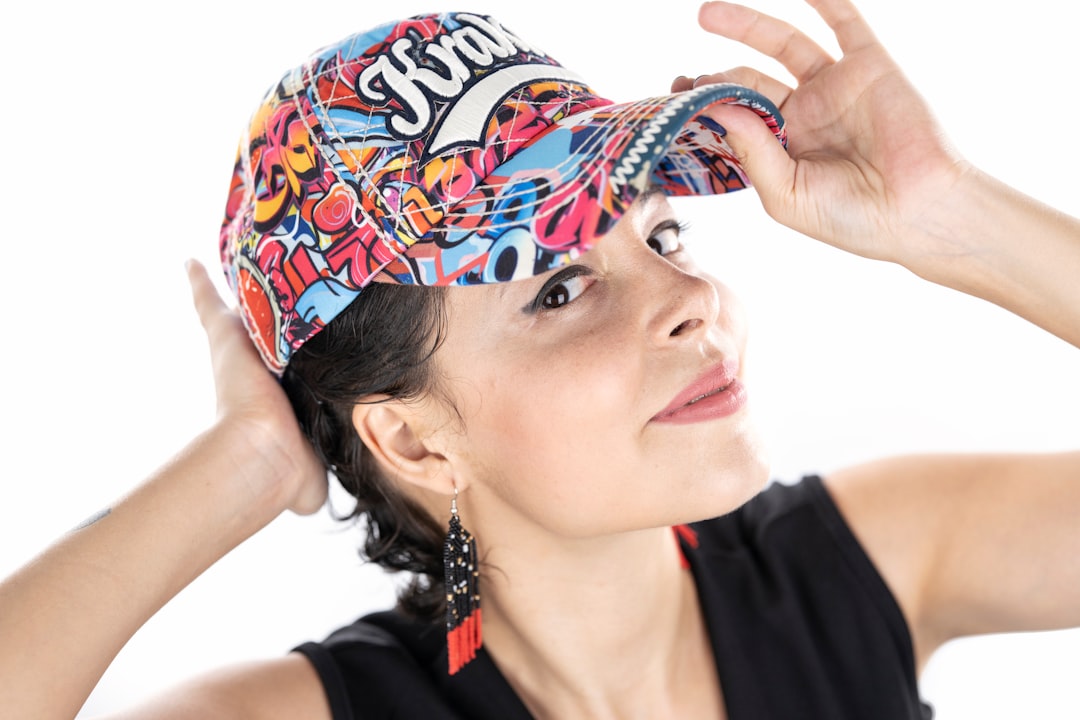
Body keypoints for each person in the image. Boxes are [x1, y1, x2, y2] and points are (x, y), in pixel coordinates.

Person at [1, 0, 1077, 718]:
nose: (691, 299)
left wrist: (953, 216)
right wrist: (244, 461)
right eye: (558, 289)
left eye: (661, 236)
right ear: (413, 438)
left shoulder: (863, 563)